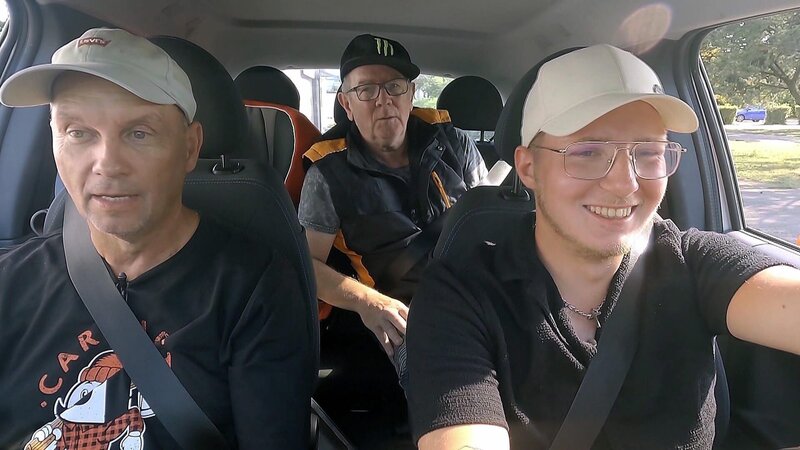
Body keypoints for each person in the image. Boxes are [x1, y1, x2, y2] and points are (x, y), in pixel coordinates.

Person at [406, 44, 800, 450]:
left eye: (648, 153)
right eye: (588, 152)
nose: (625, 184)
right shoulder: (459, 294)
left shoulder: (695, 263)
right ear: (528, 168)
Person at [0, 28, 313, 449]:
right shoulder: (10, 282)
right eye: (77, 132)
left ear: (190, 147)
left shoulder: (253, 288)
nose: (107, 164)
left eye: (139, 133)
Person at [299, 33, 487, 358]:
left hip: (477, 297)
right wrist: (367, 302)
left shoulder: (455, 143)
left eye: (395, 86)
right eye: (366, 90)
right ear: (347, 104)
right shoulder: (327, 174)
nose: (384, 100)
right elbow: (307, 265)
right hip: (403, 316)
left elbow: (489, 228)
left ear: (411, 94)